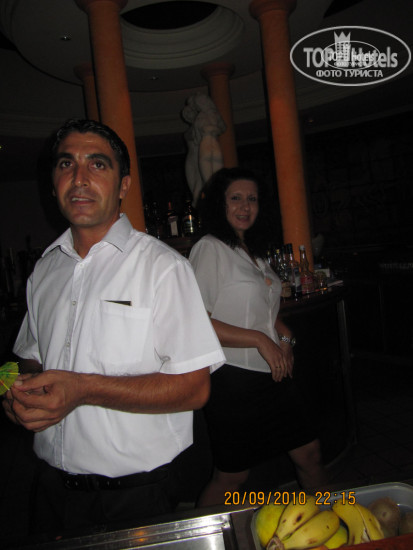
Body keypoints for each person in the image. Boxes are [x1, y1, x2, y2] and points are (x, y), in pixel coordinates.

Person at [2, 119, 225, 536]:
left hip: (135, 495)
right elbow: (24, 356)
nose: (79, 178)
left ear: (124, 185)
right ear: (53, 182)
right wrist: (11, 391)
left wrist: (83, 389)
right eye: (66, 164)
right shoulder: (45, 270)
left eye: (97, 164)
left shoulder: (162, 267)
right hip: (50, 487)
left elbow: (195, 388)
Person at [189, 167, 328, 506]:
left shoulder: (254, 252)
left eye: (252, 199)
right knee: (232, 477)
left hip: (274, 376)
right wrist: (260, 340)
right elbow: (195, 322)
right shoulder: (209, 248)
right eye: (235, 198)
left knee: (309, 453)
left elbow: (268, 312)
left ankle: (327, 521)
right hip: (233, 379)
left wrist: (285, 338)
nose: (245, 206)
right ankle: (204, 532)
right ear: (220, 204)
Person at [182, 93, 225, 206]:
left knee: (213, 181)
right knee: (202, 184)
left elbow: (197, 138)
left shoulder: (203, 117)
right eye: (187, 114)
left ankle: (214, 204)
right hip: (199, 153)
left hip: (206, 148)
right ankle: (206, 207)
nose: (189, 116)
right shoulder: (205, 117)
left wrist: (209, 129)